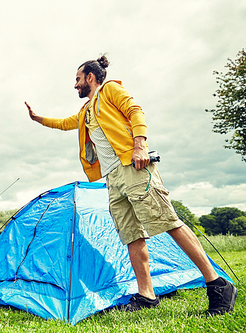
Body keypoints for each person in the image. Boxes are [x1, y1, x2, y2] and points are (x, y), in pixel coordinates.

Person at [25, 55, 238, 315]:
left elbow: (135, 111)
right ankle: (146, 294)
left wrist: (139, 146)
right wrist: (37, 119)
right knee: (131, 235)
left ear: (90, 78)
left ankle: (217, 284)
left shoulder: (110, 89)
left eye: (78, 79)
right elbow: (63, 123)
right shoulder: (85, 111)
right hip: (112, 178)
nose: (75, 85)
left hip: (134, 168)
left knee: (167, 222)